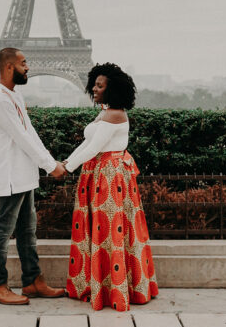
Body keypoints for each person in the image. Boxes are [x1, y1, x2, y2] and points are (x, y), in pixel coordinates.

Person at [62, 62, 158, 311]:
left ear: (112, 89)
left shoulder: (114, 114)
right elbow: (88, 144)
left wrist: (67, 167)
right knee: (105, 231)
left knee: (108, 231)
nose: (94, 88)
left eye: (99, 85)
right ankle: (106, 286)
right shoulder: (106, 112)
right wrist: (67, 162)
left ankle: (109, 289)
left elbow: (94, 149)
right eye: (94, 83)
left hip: (108, 178)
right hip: (100, 174)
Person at [0, 47, 67, 305]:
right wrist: (49, 166)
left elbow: (29, 133)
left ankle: (32, 281)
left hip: (23, 174)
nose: (28, 67)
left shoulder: (14, 96)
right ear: (9, 67)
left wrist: (49, 162)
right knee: (2, 230)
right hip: (10, 174)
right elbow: (21, 138)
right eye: (23, 63)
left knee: (28, 230)